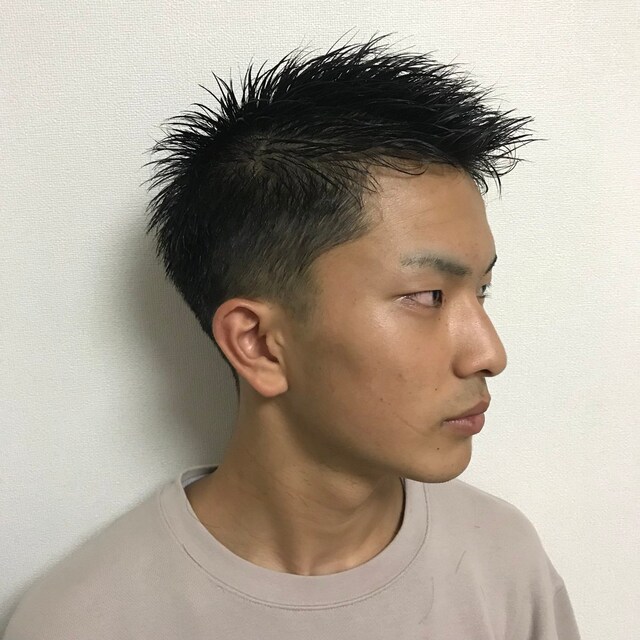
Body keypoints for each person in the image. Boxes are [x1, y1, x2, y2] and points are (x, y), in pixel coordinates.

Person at [3, 36, 581, 639]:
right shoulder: (81, 620)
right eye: (428, 296)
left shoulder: (503, 566)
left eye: (481, 292)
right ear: (257, 343)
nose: (489, 353)